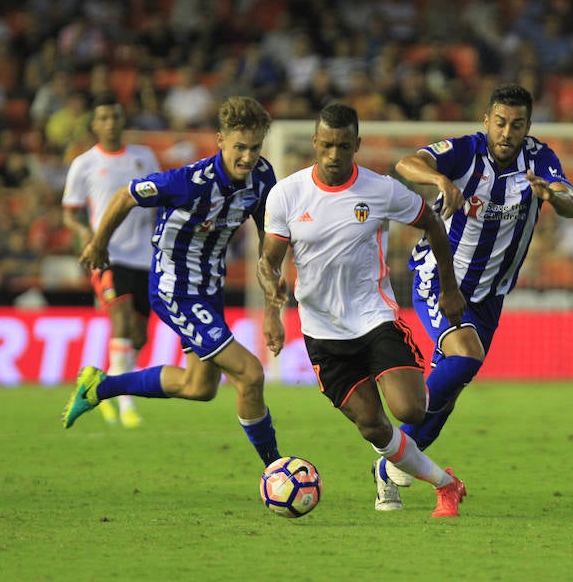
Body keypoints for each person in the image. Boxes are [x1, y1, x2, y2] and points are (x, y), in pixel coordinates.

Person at [258, 103, 468, 517]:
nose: (335, 155)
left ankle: (417, 433)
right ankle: (446, 485)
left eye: (343, 146)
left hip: (375, 318)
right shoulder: (286, 194)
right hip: (322, 333)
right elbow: (269, 262)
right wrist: (271, 309)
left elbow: (432, 224)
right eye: (327, 145)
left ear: (357, 144)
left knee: (410, 410)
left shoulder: (382, 190)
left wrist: (450, 287)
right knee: (373, 425)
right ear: (315, 143)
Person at [375, 84, 573, 503]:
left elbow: (571, 202)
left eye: (517, 125)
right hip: (440, 278)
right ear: (487, 120)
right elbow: (406, 162)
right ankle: (393, 454)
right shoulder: (466, 151)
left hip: (490, 296)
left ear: (528, 126)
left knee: (445, 397)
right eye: (500, 123)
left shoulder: (539, 158)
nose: (507, 133)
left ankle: (392, 463)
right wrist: (439, 180)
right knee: (466, 356)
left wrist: (553, 196)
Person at [61, 96, 283, 468]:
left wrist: (272, 310)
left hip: (210, 288)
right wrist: (99, 244)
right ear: (220, 141)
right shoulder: (188, 182)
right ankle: (276, 468)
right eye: (239, 148)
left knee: (199, 387)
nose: (247, 157)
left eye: (255, 147)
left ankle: (98, 386)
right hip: (174, 289)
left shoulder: (262, 178)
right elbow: (124, 195)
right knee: (250, 373)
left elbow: (267, 244)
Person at [62, 94, 160, 428]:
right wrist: (86, 235)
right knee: (119, 322)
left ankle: (102, 386)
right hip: (107, 254)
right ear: (94, 124)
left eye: (115, 116)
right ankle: (126, 405)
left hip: (144, 255)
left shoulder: (143, 157)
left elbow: (160, 200)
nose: (110, 123)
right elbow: (70, 213)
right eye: (103, 117)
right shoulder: (84, 164)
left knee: (139, 337)